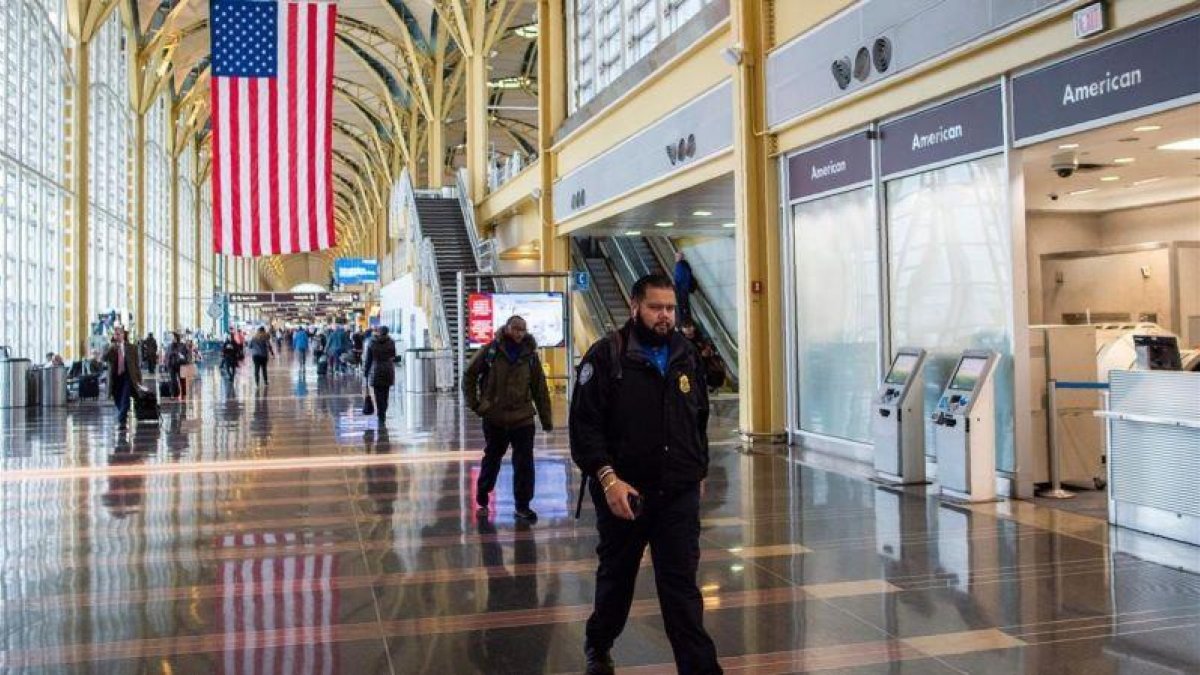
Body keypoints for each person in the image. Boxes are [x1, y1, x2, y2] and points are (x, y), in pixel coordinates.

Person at [569, 273, 720, 675]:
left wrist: (697, 470)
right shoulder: (606, 357)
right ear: (635, 307)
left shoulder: (686, 354)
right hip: (625, 496)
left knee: (682, 591)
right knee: (617, 581)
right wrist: (608, 480)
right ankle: (598, 644)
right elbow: (584, 429)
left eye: (670, 308)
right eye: (656, 307)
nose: (665, 316)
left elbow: (698, 418)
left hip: (678, 496)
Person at [462, 316, 553, 523]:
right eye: (516, 329)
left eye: (523, 330)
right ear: (507, 328)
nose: (519, 333)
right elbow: (469, 374)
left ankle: (522, 505)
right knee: (493, 457)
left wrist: (546, 419)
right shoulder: (491, 351)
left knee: (524, 463)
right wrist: (476, 404)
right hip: (495, 418)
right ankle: (483, 492)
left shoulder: (530, 355)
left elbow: (539, 389)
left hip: (523, 419)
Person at [103, 326, 142, 429]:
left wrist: (139, 380)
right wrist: (112, 347)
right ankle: (123, 416)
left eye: (120, 334)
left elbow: (136, 365)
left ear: (124, 335)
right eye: (116, 334)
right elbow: (104, 358)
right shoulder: (110, 347)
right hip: (115, 378)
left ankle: (121, 420)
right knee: (118, 399)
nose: (118, 336)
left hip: (128, 377)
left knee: (125, 398)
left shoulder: (132, 347)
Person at [363, 325, 397, 423]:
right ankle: (383, 411)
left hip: (376, 369)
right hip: (388, 370)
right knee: (385, 393)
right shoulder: (391, 342)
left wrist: (365, 372)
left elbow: (368, 360)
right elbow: (393, 355)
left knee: (378, 394)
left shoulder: (371, 343)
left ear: (378, 332)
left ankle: (380, 413)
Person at [680, 320, 725, 392]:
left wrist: (709, 351)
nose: (688, 329)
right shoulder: (681, 341)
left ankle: (712, 384)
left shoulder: (700, 338)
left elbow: (710, 348)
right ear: (682, 329)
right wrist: (700, 355)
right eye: (685, 327)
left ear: (694, 328)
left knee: (715, 369)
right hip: (690, 364)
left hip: (705, 363)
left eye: (690, 327)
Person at [672, 251, 697, 323]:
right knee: (685, 307)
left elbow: (681, 278)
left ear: (681, 257)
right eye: (676, 256)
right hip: (683, 290)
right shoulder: (684, 265)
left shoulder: (681, 265)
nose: (676, 258)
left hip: (681, 290)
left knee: (682, 307)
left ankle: (685, 323)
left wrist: (676, 286)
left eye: (677, 256)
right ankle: (686, 322)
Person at [166, 332, 191, 398]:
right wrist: (167, 364)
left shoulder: (182, 345)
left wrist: (180, 356)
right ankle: (174, 394)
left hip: (180, 365)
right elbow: (167, 355)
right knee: (173, 380)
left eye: (172, 337)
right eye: (171, 337)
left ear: (176, 338)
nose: (171, 339)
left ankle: (183, 393)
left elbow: (185, 354)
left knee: (182, 380)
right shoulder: (169, 346)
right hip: (172, 365)